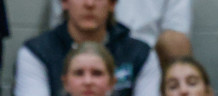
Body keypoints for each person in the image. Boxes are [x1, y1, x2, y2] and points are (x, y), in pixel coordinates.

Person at [15, 0, 163, 96]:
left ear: (112, 4)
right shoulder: (37, 51)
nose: (89, 3)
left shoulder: (139, 53)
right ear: (64, 2)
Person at [47, 0, 193, 64]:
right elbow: (60, 26)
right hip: (91, 45)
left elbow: (177, 29)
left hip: (147, 54)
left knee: (176, 42)